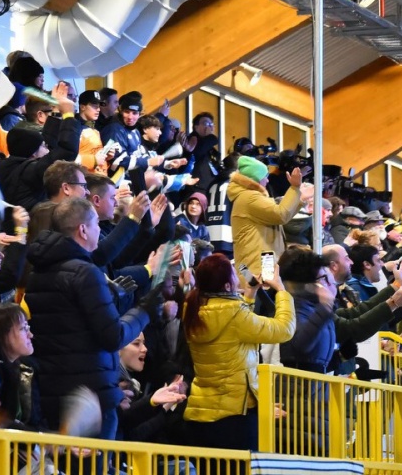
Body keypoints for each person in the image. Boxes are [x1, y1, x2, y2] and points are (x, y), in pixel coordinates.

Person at [22, 196, 152, 441]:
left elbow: (74, 326)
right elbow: (114, 336)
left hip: (54, 392)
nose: (99, 232)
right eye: (96, 226)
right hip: (91, 399)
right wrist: (147, 308)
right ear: (83, 229)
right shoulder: (84, 272)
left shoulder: (38, 273)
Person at [180, 252, 295, 451]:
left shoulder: (192, 308)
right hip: (233, 420)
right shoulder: (234, 315)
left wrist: (249, 295)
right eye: (234, 274)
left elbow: (234, 329)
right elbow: (284, 329)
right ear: (226, 286)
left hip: (200, 414)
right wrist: (281, 290)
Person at [227, 156, 303, 278]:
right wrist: (294, 189)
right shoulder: (250, 198)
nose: (267, 181)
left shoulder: (247, 196)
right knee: (261, 294)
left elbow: (278, 216)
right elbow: (281, 215)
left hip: (258, 262)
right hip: (256, 266)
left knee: (264, 291)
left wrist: (299, 200)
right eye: (265, 177)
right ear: (255, 179)